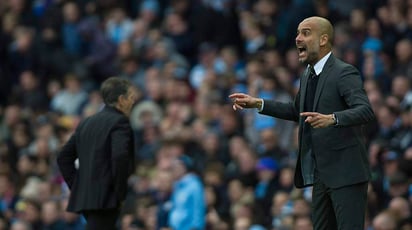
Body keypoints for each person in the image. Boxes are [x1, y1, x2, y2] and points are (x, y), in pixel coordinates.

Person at [229, 16, 375, 230]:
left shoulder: (343, 72)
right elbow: (296, 110)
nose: (297, 38)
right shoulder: (308, 75)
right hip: (320, 175)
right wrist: (258, 103)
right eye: (297, 33)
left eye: (305, 33)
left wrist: (332, 119)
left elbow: (365, 110)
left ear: (323, 39)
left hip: (346, 173)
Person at [57, 77, 138, 230]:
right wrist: (119, 193)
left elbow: (63, 158)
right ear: (121, 100)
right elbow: (119, 157)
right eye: (131, 97)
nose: (133, 102)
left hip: (88, 200)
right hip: (107, 199)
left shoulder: (87, 122)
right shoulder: (120, 122)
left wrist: (78, 187)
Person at [168, 155, 206, 230]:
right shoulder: (177, 186)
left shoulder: (194, 185)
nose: (174, 170)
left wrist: (196, 227)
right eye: (173, 168)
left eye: (176, 167)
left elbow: (198, 208)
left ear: (184, 168)